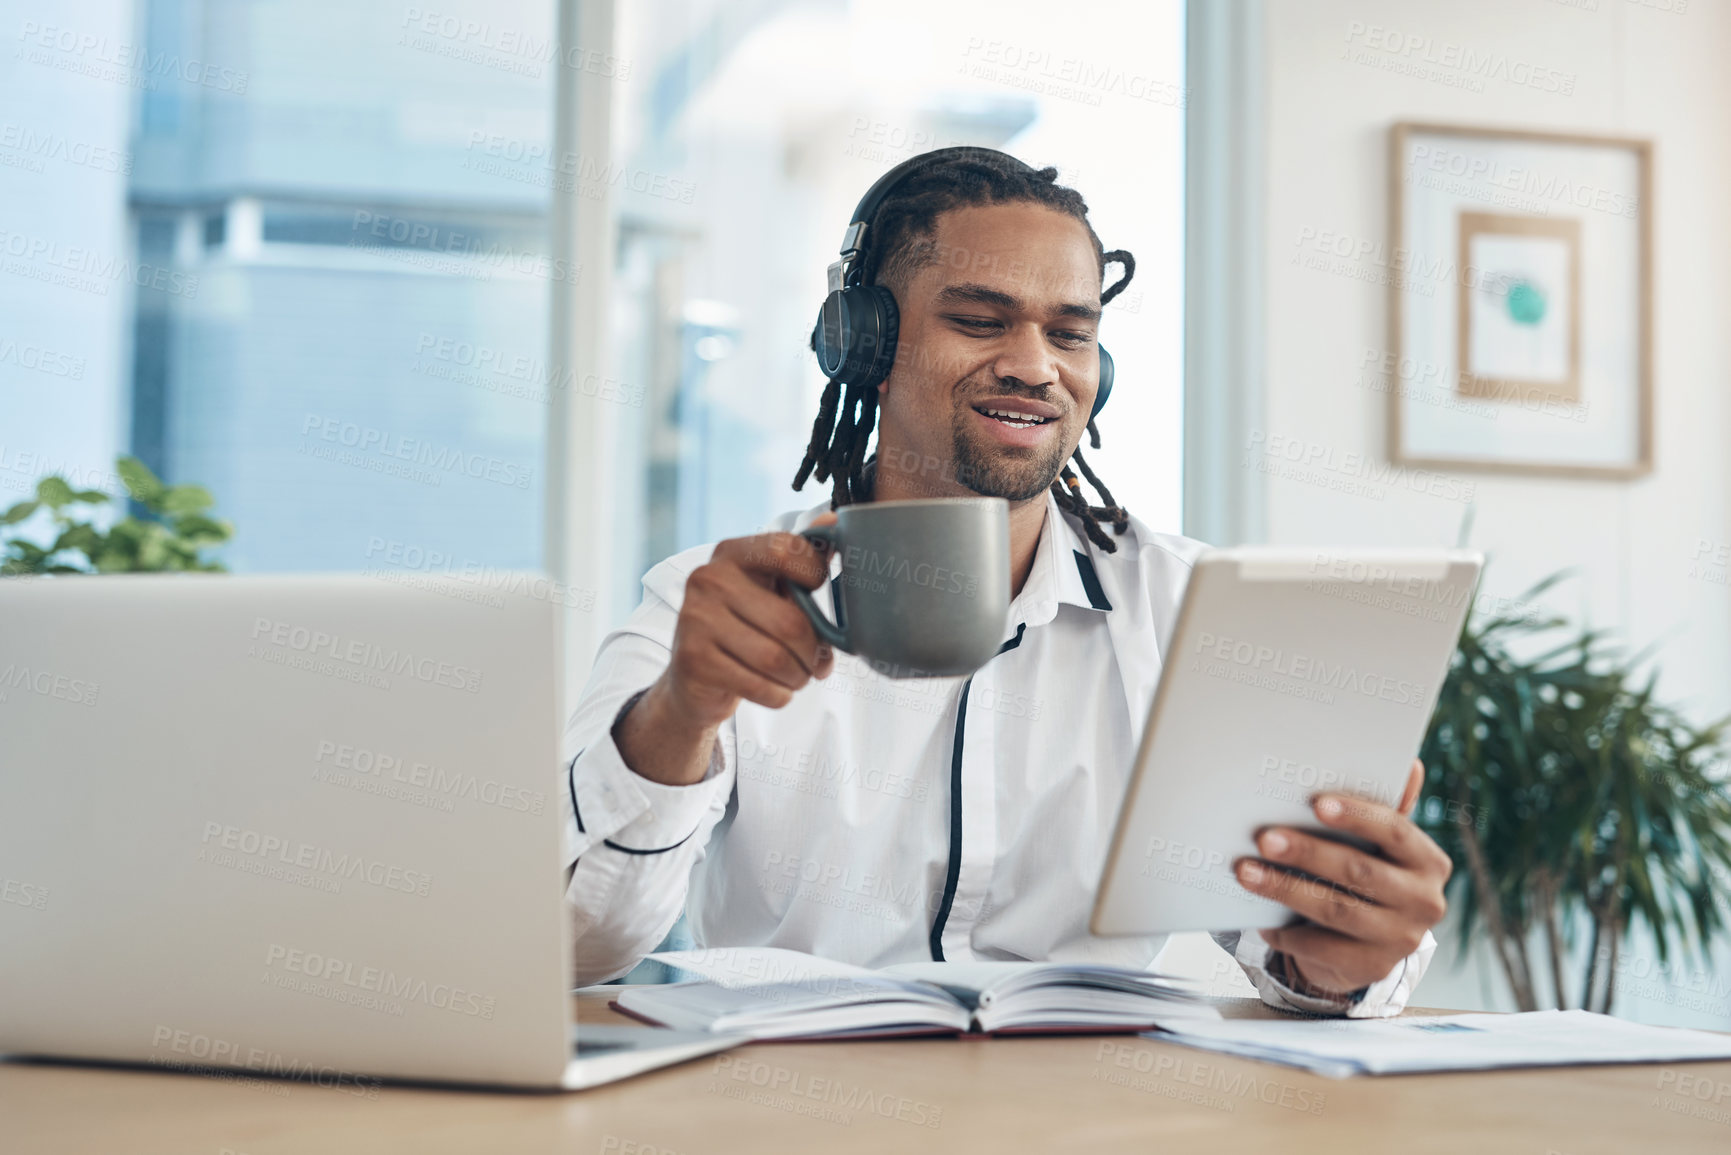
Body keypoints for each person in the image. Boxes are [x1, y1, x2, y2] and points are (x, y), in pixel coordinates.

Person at [561, 148, 1451, 1016]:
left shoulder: (1196, 612)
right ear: (861, 342)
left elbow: (1298, 942)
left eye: (1070, 332)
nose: (1036, 364)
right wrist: (680, 710)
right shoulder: (711, 609)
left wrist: (1344, 952)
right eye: (980, 320)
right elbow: (573, 943)